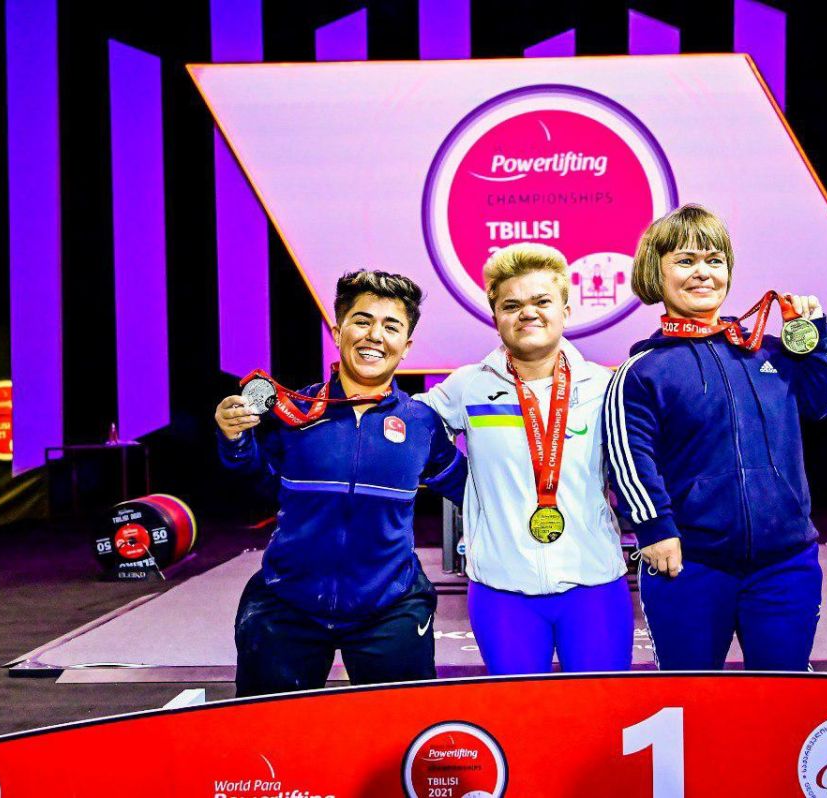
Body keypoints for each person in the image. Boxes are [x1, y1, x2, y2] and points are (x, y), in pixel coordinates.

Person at [604, 204, 827, 671]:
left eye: (714, 260)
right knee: (691, 698)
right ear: (656, 272)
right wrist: (654, 529)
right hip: (689, 564)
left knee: (784, 694)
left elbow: (823, 401)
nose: (703, 272)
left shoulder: (768, 354)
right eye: (685, 260)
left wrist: (816, 337)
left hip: (785, 563)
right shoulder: (643, 371)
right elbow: (629, 457)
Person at [215, 270, 466, 696]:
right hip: (287, 603)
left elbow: (469, 490)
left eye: (391, 326)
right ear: (338, 332)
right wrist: (235, 439)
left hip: (389, 608)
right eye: (362, 321)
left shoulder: (422, 423)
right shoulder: (293, 412)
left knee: (400, 733)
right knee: (269, 734)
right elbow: (256, 486)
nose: (375, 336)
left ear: (406, 346)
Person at [420, 243, 633, 675]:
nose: (527, 313)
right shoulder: (468, 386)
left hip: (594, 585)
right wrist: (456, 483)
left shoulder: (604, 386)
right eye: (511, 305)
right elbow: (406, 428)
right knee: (518, 714)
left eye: (541, 301)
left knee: (601, 711)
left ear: (565, 312)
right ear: (494, 316)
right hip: (502, 592)